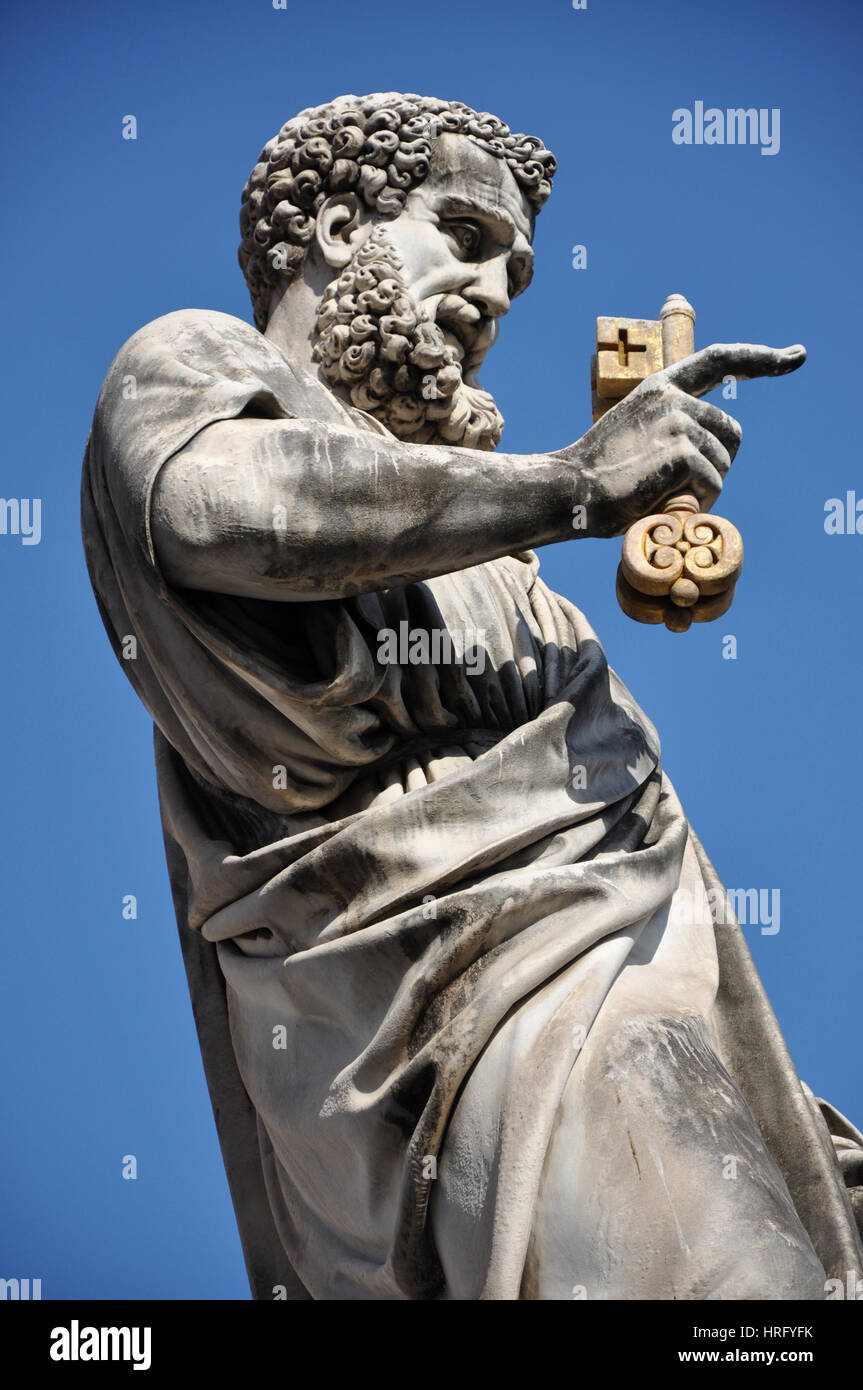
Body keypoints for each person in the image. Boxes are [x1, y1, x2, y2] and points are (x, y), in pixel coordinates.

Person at [82, 91, 862, 1300]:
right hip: (453, 1028)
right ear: (340, 227)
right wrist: (567, 484)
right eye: (464, 235)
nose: (498, 295)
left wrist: (783, 1120)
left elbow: (635, 844)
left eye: (519, 271)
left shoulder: (499, 570)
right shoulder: (194, 366)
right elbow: (214, 511)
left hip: (636, 991)